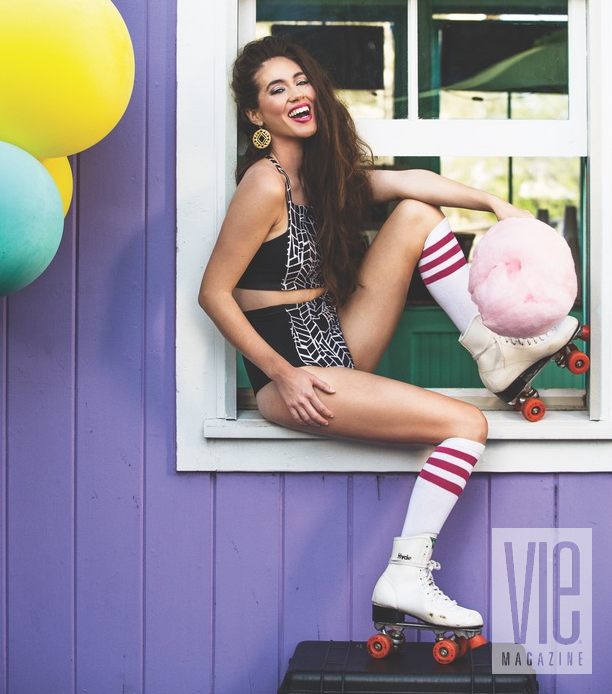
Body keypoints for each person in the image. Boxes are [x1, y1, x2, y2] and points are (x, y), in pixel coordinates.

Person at [198, 35, 578, 636]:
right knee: (467, 425)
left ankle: (493, 353)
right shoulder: (264, 183)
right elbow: (213, 293)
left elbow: (412, 182)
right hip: (299, 371)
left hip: (337, 339)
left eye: (300, 81)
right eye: (277, 89)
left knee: (417, 214)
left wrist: (497, 205)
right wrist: (283, 373)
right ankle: (406, 573)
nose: (296, 94)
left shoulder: (322, 179)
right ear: (256, 116)